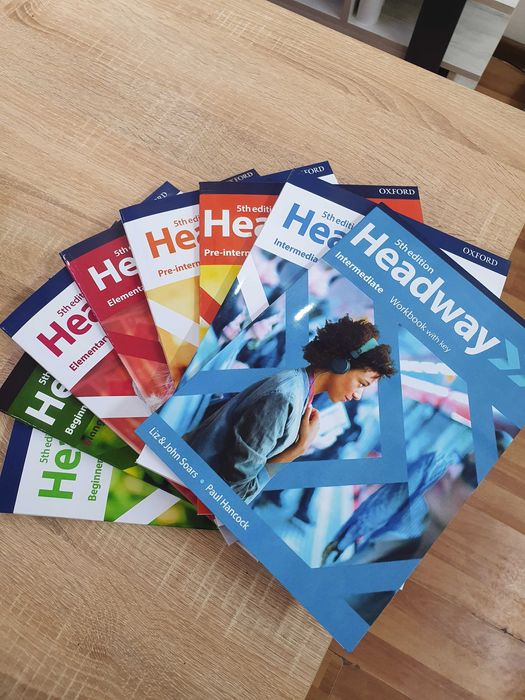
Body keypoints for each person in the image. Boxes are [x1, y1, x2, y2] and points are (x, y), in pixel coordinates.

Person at [183, 316, 395, 502]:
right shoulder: (284, 398)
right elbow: (233, 493)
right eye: (361, 384)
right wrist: (298, 449)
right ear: (341, 364)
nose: (358, 395)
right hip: (192, 491)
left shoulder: (299, 389)